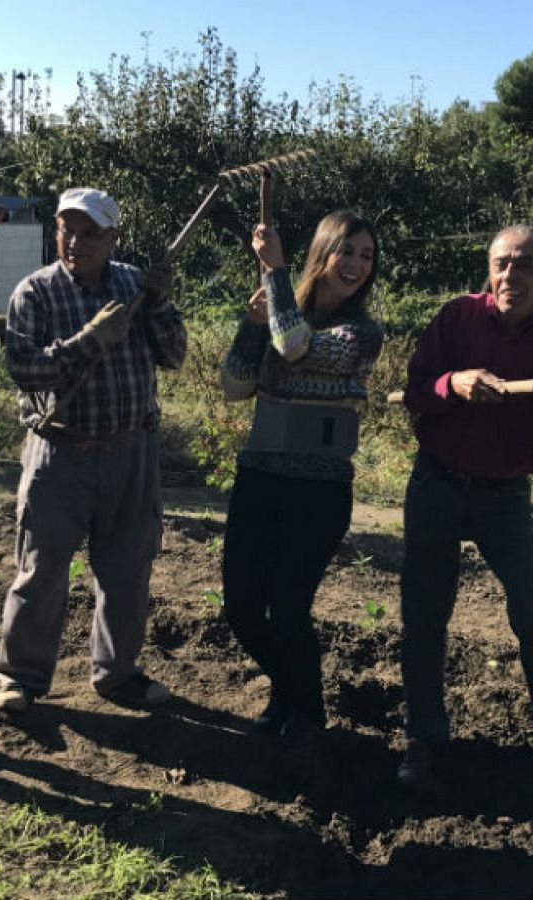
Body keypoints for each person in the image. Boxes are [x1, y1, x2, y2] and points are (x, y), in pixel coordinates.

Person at [395, 224, 533, 800]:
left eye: (523, 265)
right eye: (500, 264)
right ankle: (425, 740)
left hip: (504, 499)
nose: (509, 276)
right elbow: (414, 392)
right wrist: (453, 382)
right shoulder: (456, 318)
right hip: (436, 485)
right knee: (423, 615)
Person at [0, 187, 186, 712]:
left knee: (127, 573)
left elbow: (175, 356)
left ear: (114, 236)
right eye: (66, 229)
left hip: (131, 452)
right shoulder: (35, 293)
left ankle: (117, 674)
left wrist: (162, 303)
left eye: (90, 233)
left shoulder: (136, 287)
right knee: (41, 571)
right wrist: (87, 342)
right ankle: (21, 677)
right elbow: (23, 370)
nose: (75, 242)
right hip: (60, 455)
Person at [219, 211, 384, 740]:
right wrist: (251, 324)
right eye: (347, 251)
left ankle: (306, 711)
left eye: (367, 255)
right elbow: (234, 386)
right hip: (260, 481)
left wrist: (275, 271)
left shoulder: (362, 333)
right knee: (242, 607)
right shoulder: (278, 315)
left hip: (319, 492)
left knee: (288, 608)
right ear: (324, 253)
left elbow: (296, 346)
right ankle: (289, 689)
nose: (357, 264)